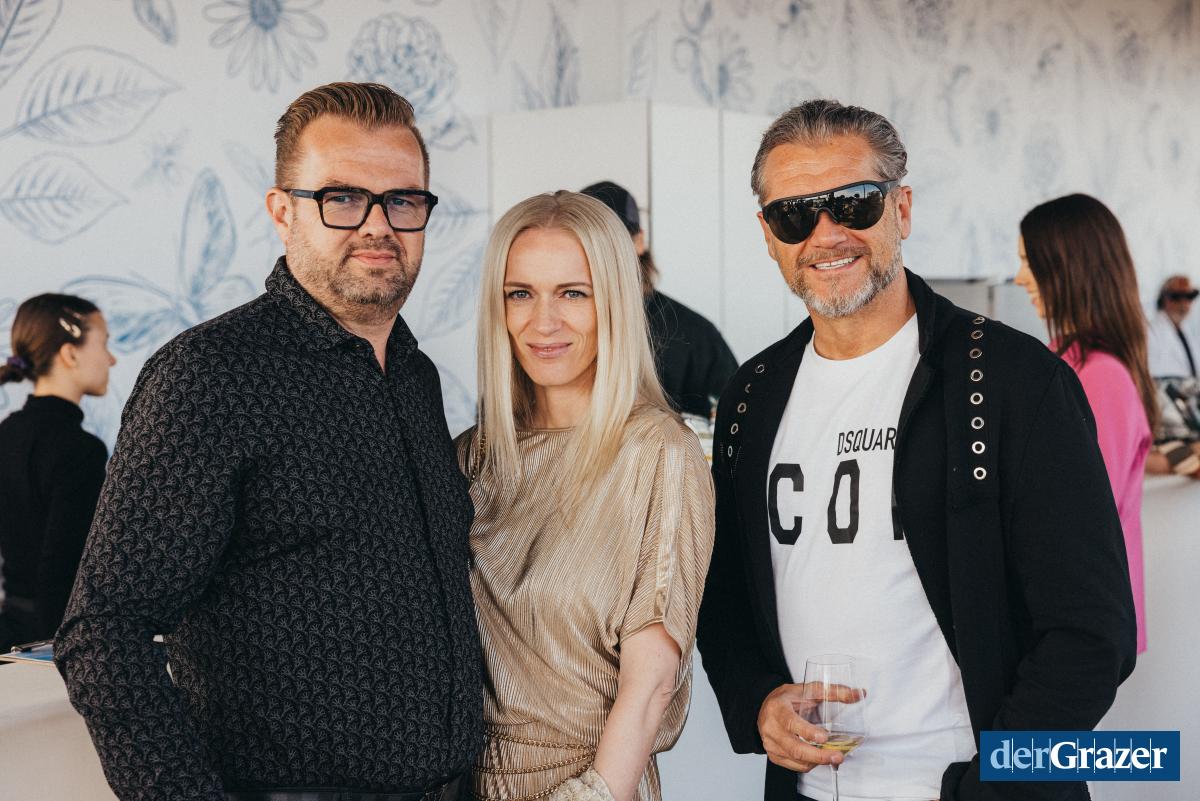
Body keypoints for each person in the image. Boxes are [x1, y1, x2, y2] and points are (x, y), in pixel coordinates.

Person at [696, 100, 1136, 801]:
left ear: (901, 210)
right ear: (768, 235)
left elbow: (1091, 634)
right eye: (793, 215)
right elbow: (724, 599)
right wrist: (757, 702)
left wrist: (991, 787)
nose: (826, 234)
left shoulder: (1015, 382)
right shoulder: (751, 395)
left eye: (854, 203)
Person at [55, 83, 480, 801]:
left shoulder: (416, 376)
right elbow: (104, 629)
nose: (378, 225)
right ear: (283, 212)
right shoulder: (210, 375)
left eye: (403, 201)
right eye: (343, 198)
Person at [456, 191, 714, 801]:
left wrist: (592, 794)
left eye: (574, 293)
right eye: (520, 293)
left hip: (592, 787)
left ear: (615, 303)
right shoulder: (471, 456)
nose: (543, 321)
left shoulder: (658, 452)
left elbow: (652, 683)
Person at [1014, 194, 1155, 654]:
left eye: (1028, 262)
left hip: (1079, 626)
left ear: (1065, 266)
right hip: (1063, 618)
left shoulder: (1100, 376)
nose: (1019, 278)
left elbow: (1079, 520)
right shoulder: (1064, 364)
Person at [0, 294, 114, 651]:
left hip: (9, 638)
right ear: (70, 354)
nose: (111, 359)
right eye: (104, 343)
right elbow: (63, 572)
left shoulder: (7, 433)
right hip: (47, 645)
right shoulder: (79, 450)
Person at [580, 180, 737, 419]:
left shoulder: (694, 333)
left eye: (613, 241)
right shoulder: (555, 326)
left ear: (639, 242)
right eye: (587, 242)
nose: (600, 255)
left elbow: (739, 416)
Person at [1146, 274, 1199, 378]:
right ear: (1163, 300)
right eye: (1176, 297)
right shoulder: (1151, 332)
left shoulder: (1188, 331)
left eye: (1190, 296)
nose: (1183, 303)